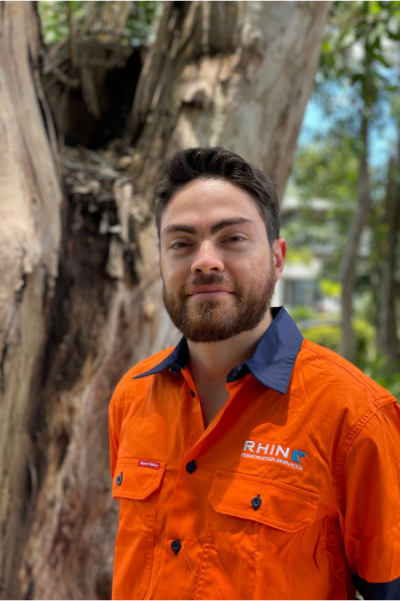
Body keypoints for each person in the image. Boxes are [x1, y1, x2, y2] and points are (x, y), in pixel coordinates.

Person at [109, 146, 400, 600]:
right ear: (162, 264)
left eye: (233, 239)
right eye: (181, 243)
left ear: (278, 258)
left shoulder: (356, 415)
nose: (206, 261)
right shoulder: (131, 397)